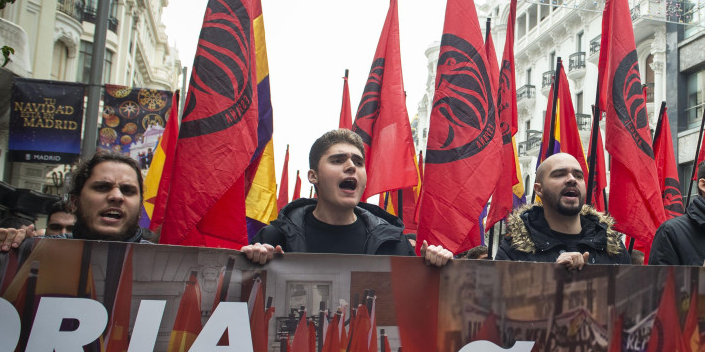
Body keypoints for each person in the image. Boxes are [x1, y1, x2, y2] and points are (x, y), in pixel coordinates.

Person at [242, 129, 451, 266]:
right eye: (337, 160)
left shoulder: (394, 244)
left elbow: (418, 307)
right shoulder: (275, 238)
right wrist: (251, 264)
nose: (351, 166)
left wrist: (435, 270)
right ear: (313, 176)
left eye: (358, 163)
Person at [0, 151, 149, 250]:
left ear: (140, 206)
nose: (117, 196)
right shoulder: (33, 252)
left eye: (128, 190)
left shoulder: (164, 264)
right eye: (102, 187)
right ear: (74, 203)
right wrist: (2, 246)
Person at [496, 153, 631, 269]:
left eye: (578, 176)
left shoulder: (612, 247)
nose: (572, 179)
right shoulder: (513, 249)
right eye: (559, 175)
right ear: (539, 189)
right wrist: (551, 274)